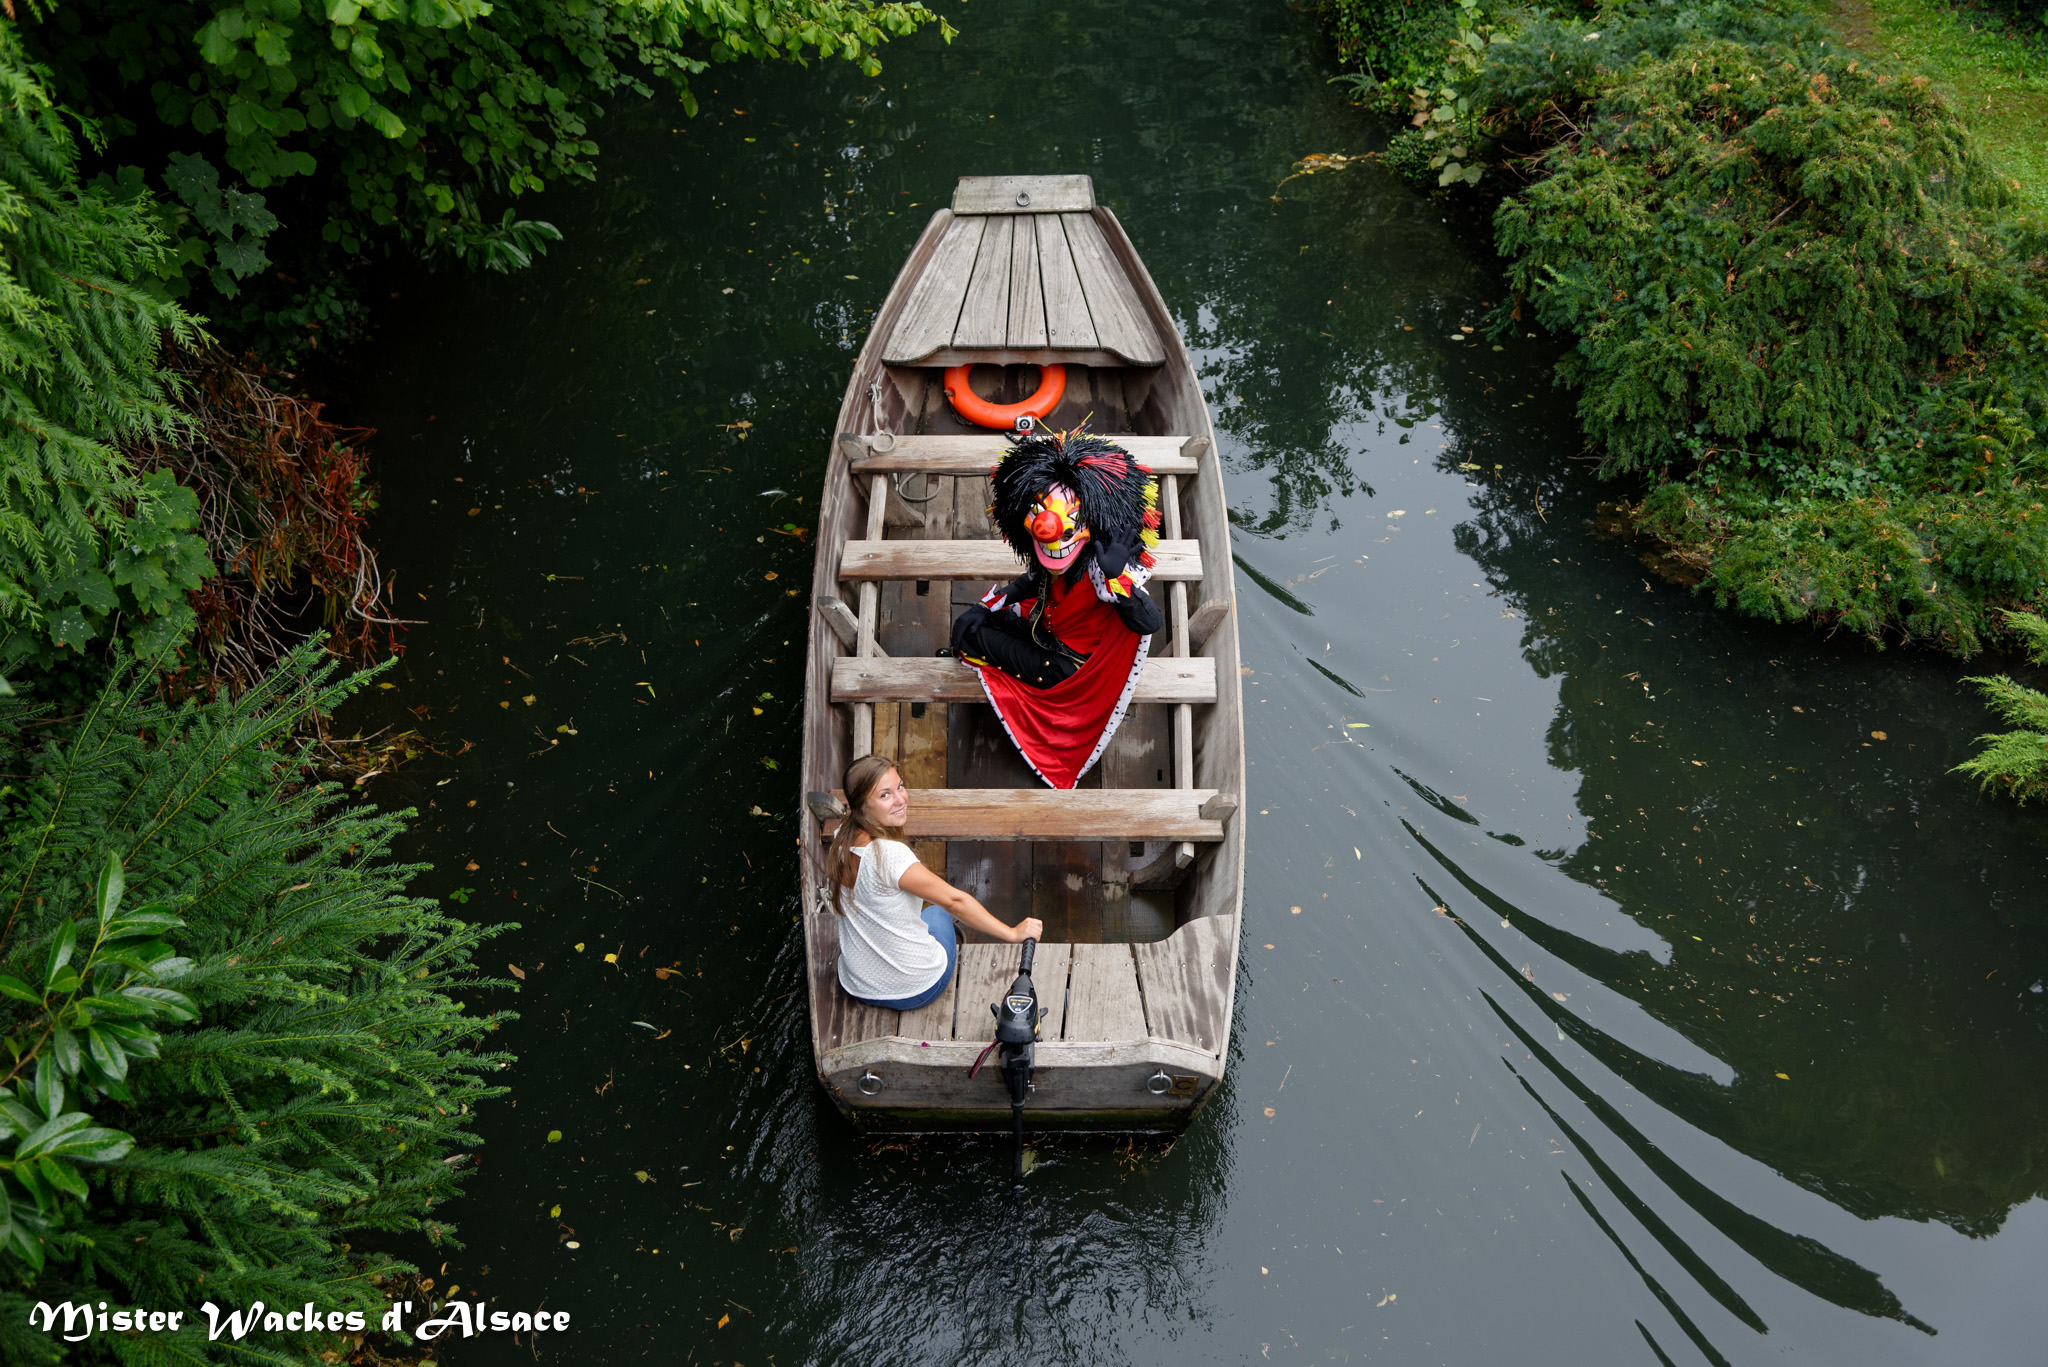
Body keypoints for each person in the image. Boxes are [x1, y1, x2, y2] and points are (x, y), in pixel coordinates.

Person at [826, 754, 1043, 1010]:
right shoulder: (889, 856)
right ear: (862, 804)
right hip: (916, 988)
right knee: (938, 910)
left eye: (900, 786)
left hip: (858, 984)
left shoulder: (841, 837)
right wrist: (1013, 933)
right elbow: (955, 900)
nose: (900, 799)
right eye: (885, 795)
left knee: (920, 906)